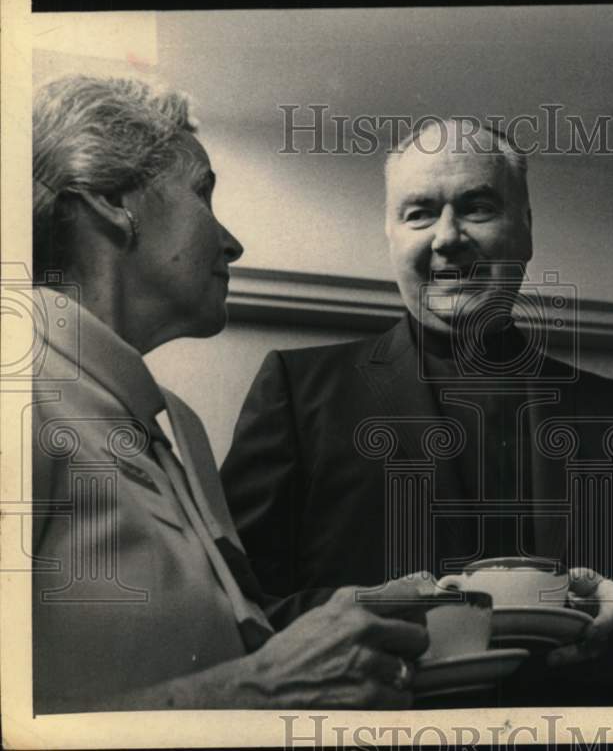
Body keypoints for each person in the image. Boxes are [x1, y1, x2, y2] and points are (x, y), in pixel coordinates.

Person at [220, 118, 613, 704]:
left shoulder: (609, 408)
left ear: (526, 229)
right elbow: (235, 609)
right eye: (419, 213)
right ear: (390, 234)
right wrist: (387, 614)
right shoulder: (297, 387)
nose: (447, 237)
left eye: (477, 207)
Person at [30, 74, 428, 712]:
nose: (231, 241)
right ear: (109, 199)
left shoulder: (178, 429)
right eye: (203, 193)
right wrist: (261, 690)